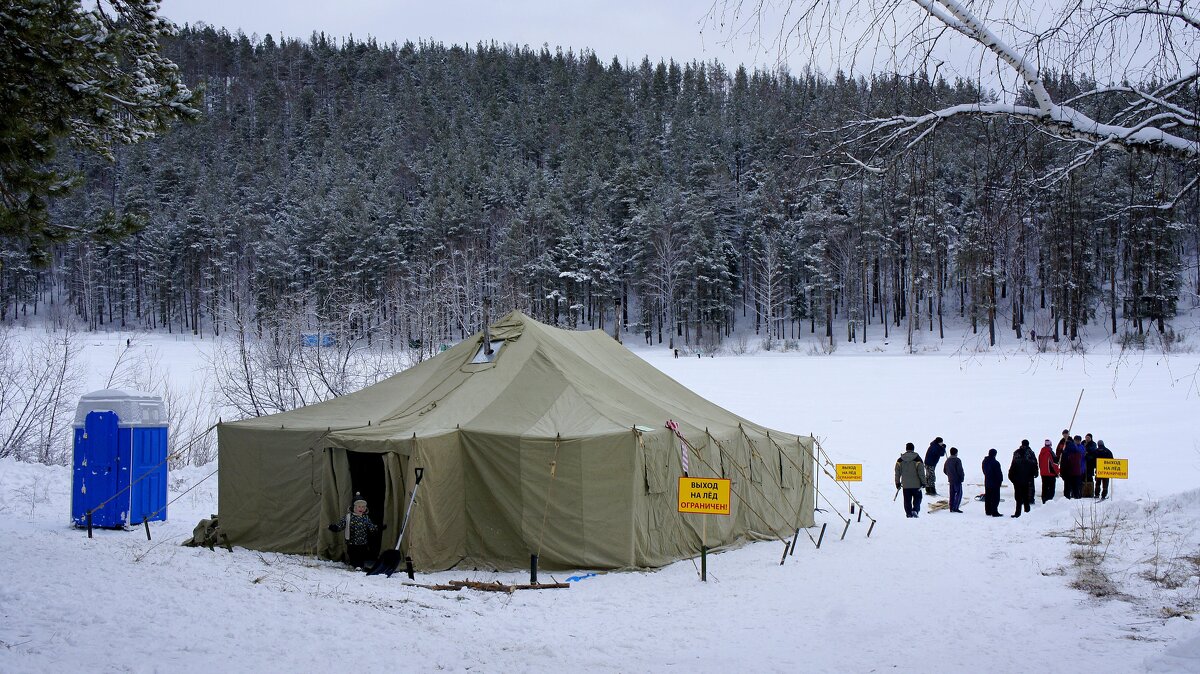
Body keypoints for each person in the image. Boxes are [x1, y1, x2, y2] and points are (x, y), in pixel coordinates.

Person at [328, 492, 384, 570]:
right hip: (352, 542)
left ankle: (360, 565)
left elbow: (371, 527)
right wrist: (334, 527)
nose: (361, 509)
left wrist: (378, 528)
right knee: (352, 553)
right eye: (359, 507)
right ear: (354, 507)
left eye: (363, 507)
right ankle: (353, 564)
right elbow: (341, 525)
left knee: (362, 554)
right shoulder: (348, 517)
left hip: (362, 542)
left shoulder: (365, 518)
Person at [895, 442, 927, 518]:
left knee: (907, 500)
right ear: (913, 449)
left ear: (906, 449)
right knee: (918, 498)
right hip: (916, 484)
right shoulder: (918, 459)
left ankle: (908, 513)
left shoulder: (900, 460)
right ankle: (915, 510)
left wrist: (897, 483)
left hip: (905, 485)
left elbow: (897, 473)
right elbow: (921, 472)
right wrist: (923, 482)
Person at [1008, 440, 1039, 517]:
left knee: (1018, 497)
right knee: (1026, 496)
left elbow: (1012, 468)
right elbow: (1034, 464)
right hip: (1027, 478)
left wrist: (1012, 479)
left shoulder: (1016, 454)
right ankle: (1027, 512)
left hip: (1017, 479)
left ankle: (1017, 513)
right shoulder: (1030, 454)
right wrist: (1035, 473)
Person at [942, 447, 965, 513]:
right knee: (958, 494)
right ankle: (955, 507)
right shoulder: (957, 460)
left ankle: (951, 507)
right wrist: (961, 478)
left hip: (951, 479)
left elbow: (944, 470)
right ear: (956, 453)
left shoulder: (948, 460)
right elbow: (960, 470)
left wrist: (949, 475)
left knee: (951, 494)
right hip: (957, 480)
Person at [982, 449, 1003, 517]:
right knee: (995, 498)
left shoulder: (984, 461)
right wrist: (1000, 480)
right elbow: (998, 473)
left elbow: (984, 471)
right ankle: (994, 511)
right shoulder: (995, 463)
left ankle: (988, 511)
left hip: (987, 481)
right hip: (995, 482)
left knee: (988, 497)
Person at [1038, 439, 1059, 503]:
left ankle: (1044, 500)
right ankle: (1049, 501)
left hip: (1043, 473)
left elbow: (1040, 463)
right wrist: (1057, 472)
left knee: (1044, 487)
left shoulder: (1041, 453)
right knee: (1051, 489)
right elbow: (1053, 464)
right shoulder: (1050, 453)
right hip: (1051, 474)